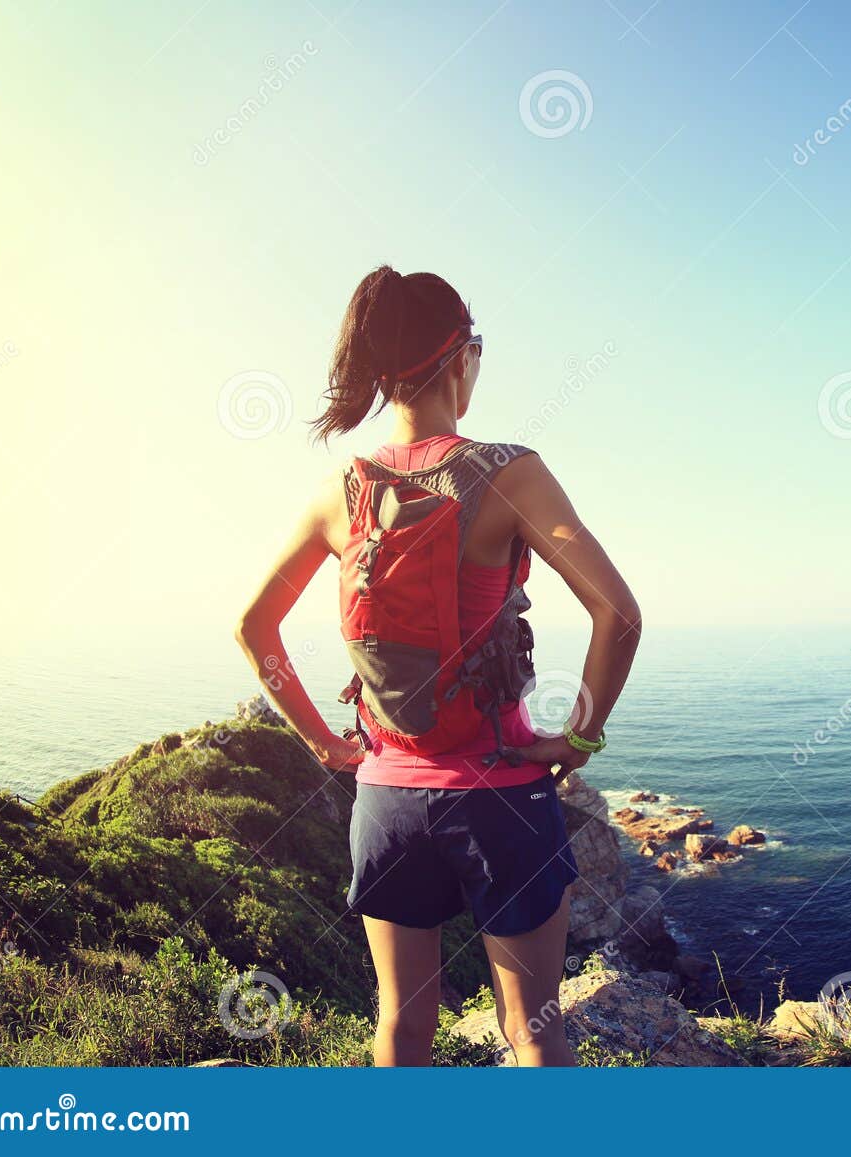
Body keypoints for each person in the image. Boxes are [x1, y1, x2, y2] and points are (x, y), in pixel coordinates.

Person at [235, 265, 642, 1066]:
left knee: (402, 1024)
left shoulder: (338, 492)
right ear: (462, 357)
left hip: (385, 802)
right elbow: (618, 615)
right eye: (479, 347)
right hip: (502, 796)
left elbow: (255, 629)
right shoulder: (508, 471)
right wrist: (578, 739)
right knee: (531, 1028)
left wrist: (328, 746)